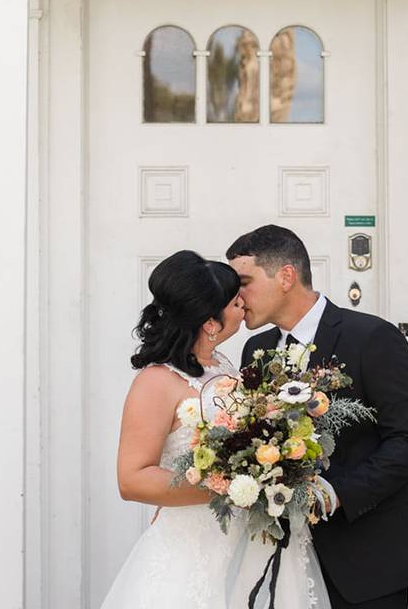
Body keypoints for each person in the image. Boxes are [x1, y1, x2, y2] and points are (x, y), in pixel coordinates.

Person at [102, 250, 332, 608]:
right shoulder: (156, 382)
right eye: (235, 300)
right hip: (194, 547)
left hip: (250, 540)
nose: (244, 305)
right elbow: (131, 479)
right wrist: (238, 488)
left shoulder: (223, 364)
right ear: (211, 322)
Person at [228, 225, 408, 609]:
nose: (236, 296)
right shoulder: (254, 350)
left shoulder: (373, 338)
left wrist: (336, 493)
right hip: (283, 559)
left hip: (366, 556)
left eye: (244, 281)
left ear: (286, 276)